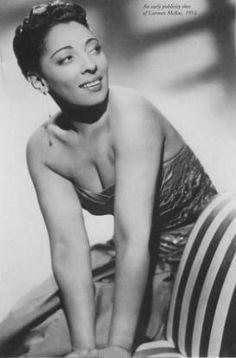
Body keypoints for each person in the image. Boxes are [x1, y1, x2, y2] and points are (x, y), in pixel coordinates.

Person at [0, 1, 217, 357]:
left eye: (94, 48)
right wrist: (85, 348)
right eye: (67, 58)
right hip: (124, 255)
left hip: (189, 259)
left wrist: (117, 347)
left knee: (46, 346)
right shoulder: (44, 148)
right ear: (39, 80)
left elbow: (136, 240)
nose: (91, 65)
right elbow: (68, 249)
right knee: (15, 333)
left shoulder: (132, 115)